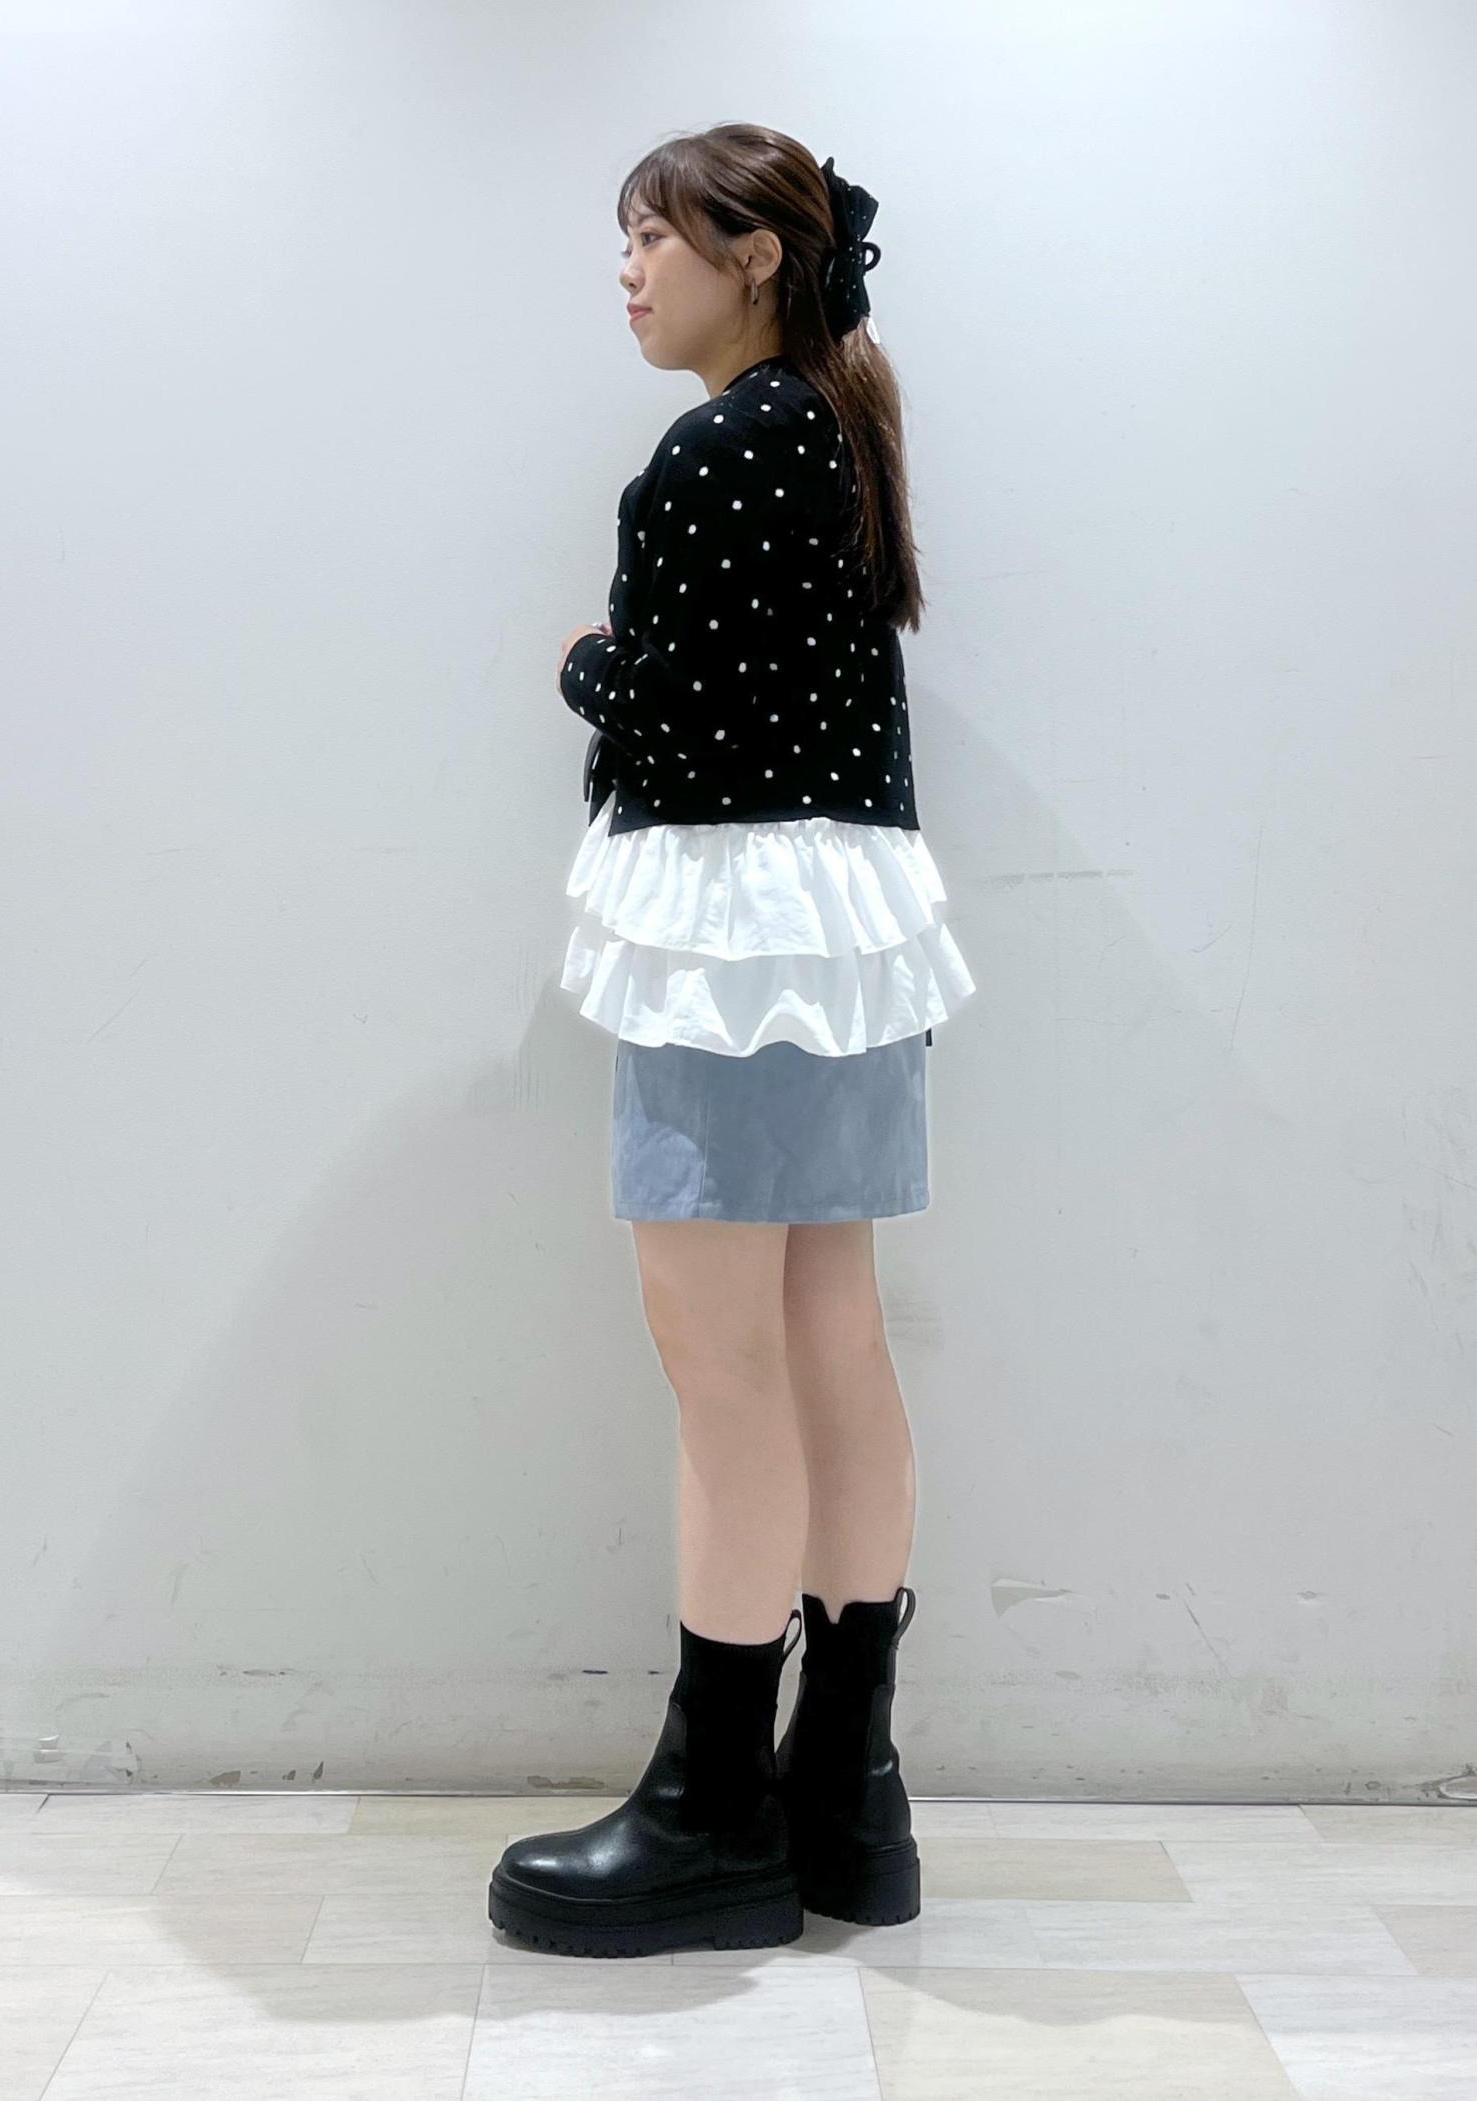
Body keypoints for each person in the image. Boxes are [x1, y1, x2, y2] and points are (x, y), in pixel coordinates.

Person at [488, 123, 977, 1959]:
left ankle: (713, 1811)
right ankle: (848, 1788)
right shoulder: (840, 429)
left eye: (653, 237)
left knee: (722, 1364)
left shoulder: (720, 445)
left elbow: (676, 728)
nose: (626, 272)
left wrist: (584, 665)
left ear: (754, 256)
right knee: (829, 1337)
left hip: (734, 944)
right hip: (843, 938)